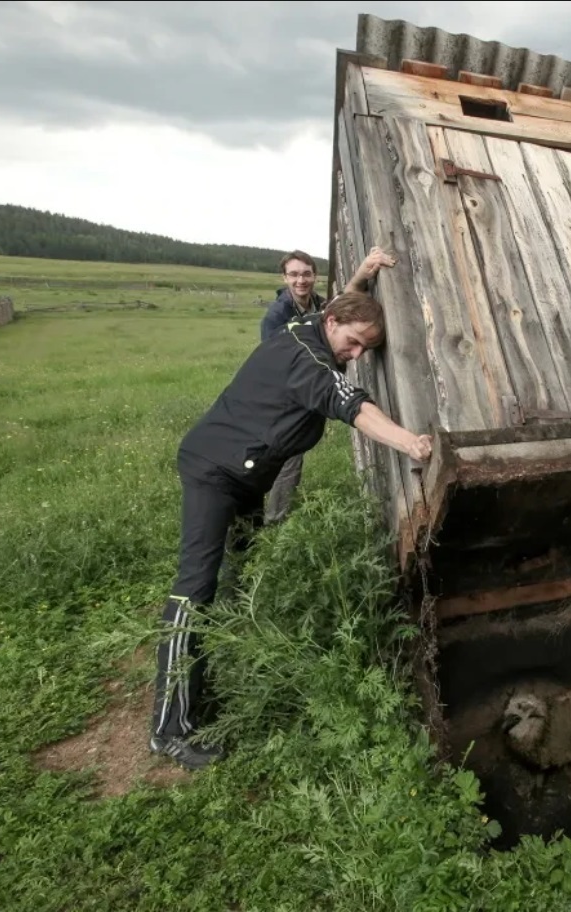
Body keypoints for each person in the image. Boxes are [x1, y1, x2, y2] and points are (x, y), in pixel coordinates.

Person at [149, 288, 432, 771]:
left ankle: (206, 684)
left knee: (236, 580)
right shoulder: (308, 360)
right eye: (357, 342)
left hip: (241, 477)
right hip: (215, 471)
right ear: (334, 322)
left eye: (367, 348)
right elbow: (355, 407)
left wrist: (366, 274)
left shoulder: (310, 332)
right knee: (194, 590)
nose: (358, 355)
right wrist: (412, 443)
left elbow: (348, 301)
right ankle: (168, 728)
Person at [259, 247, 397, 523]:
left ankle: (271, 516)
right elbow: (276, 362)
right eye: (294, 275)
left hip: (310, 396)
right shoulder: (277, 315)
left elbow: (344, 302)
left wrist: (362, 271)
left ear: (315, 275)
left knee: (288, 458)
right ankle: (274, 521)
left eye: (307, 274)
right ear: (284, 278)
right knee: (283, 458)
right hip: (286, 400)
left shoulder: (319, 306)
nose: (301, 280)